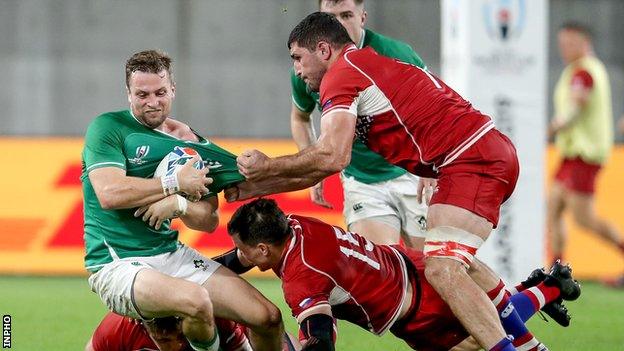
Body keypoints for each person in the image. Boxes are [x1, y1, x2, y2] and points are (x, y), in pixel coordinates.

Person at [225, 12, 539, 350]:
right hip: (473, 155)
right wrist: (252, 187)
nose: (297, 70)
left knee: (442, 268)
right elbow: (324, 163)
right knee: (453, 265)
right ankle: (533, 331)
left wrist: (267, 167)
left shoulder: (342, 75)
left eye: (298, 58)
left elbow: (332, 157)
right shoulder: (364, 63)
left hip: (469, 159)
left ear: (323, 49)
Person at [81, 49, 283, 351]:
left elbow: (209, 220)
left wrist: (180, 205)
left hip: (170, 254)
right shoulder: (108, 128)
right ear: (128, 94)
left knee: (268, 317)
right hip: (117, 265)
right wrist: (173, 183)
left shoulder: (191, 144)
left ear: (173, 89)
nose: (152, 102)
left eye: (160, 92)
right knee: (196, 301)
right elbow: (109, 193)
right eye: (142, 94)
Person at [225, 199, 581, 351]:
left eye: (243, 248)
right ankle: (546, 287)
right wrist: (198, 267)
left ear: (263, 250)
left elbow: (321, 336)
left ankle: (547, 289)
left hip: (416, 310)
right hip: (410, 265)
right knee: (486, 322)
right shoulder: (294, 225)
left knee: (479, 340)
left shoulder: (301, 276)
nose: (239, 255)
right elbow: (242, 258)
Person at [290, 0, 428, 247]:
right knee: (381, 269)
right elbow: (300, 116)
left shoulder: (396, 54)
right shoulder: (307, 67)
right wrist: (312, 167)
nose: (339, 26)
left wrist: (432, 163)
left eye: (346, 16)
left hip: (412, 173)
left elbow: (434, 108)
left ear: (362, 17)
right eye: (331, 18)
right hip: (361, 181)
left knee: (435, 267)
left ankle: (505, 288)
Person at [547, 22, 624, 288]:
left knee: (584, 218)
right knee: (554, 206)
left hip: (584, 154)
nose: (564, 49)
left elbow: (576, 105)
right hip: (572, 153)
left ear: (584, 42)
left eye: (569, 43)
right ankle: (556, 271)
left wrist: (554, 126)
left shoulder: (584, 72)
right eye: (562, 43)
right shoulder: (584, 69)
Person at [85, 313, 252, 351]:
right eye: (164, 340)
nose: (177, 346)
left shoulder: (214, 319)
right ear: (142, 325)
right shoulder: (118, 327)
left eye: (182, 336)